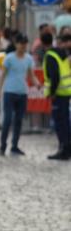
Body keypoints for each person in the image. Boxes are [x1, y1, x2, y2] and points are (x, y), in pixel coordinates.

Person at [0, 33, 36, 157]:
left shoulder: (29, 59)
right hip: (9, 92)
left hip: (22, 92)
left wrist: (37, 83)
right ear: (16, 44)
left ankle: (15, 146)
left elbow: (31, 75)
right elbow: (3, 75)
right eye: (21, 44)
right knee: (7, 120)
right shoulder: (9, 58)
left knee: (19, 120)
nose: (23, 46)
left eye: (25, 44)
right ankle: (3, 145)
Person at [43, 29, 71, 161]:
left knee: (60, 123)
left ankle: (63, 150)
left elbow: (54, 76)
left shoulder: (50, 56)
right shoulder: (61, 53)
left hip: (59, 93)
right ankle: (67, 149)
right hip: (66, 92)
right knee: (65, 122)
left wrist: (52, 92)